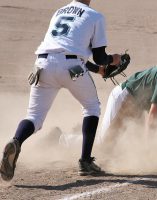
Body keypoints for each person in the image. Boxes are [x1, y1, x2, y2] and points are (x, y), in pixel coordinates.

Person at [0, 0, 122, 181]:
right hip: (72, 67)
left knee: (34, 116)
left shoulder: (59, 12)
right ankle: (86, 162)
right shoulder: (94, 16)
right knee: (91, 107)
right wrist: (113, 59)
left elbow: (64, 50)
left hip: (43, 64)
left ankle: (16, 140)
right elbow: (99, 56)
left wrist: (98, 70)